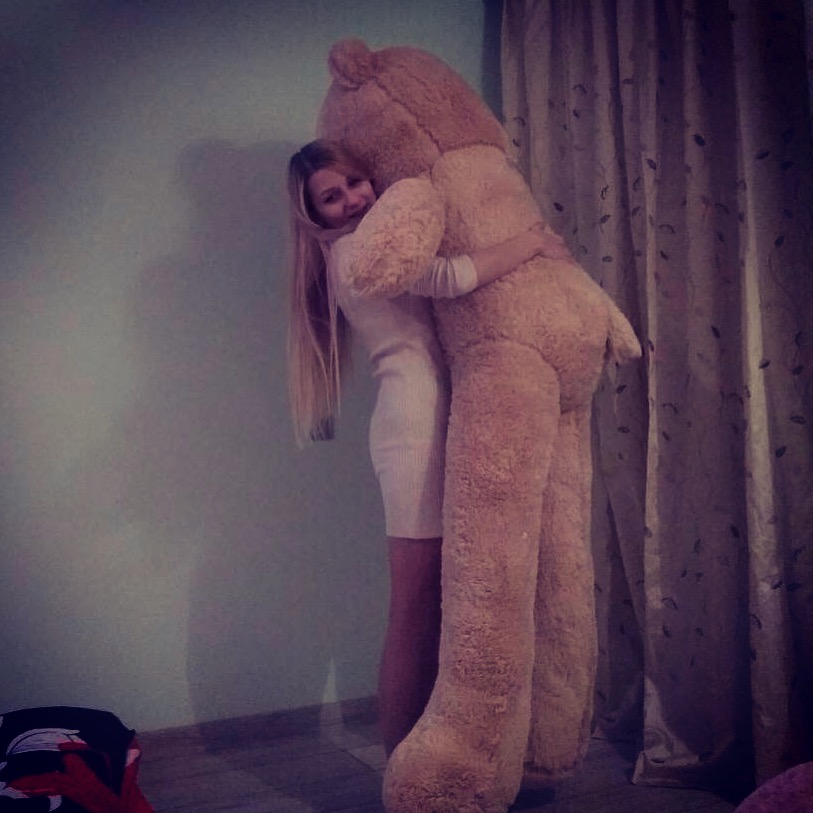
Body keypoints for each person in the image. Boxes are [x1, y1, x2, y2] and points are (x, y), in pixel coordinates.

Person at [286, 139, 571, 756]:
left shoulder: (373, 238)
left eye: (355, 182)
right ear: (314, 214)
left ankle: (434, 757)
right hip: (413, 432)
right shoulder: (358, 251)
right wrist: (530, 243)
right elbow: (447, 278)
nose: (352, 199)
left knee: (439, 606)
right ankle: (401, 769)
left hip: (425, 421)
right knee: (414, 610)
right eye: (331, 197)